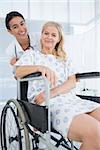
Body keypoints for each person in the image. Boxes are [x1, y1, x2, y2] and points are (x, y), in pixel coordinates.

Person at [15, 21, 100, 150]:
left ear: (59, 39)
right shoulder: (32, 55)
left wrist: (53, 91)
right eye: (46, 33)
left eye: (53, 35)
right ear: (41, 35)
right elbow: (17, 72)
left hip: (71, 99)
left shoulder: (64, 59)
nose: (49, 37)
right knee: (96, 134)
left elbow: (72, 81)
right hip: (49, 102)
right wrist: (40, 67)